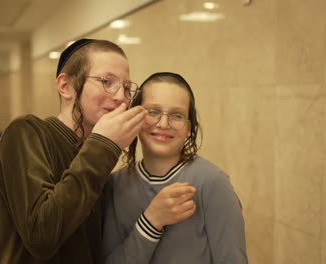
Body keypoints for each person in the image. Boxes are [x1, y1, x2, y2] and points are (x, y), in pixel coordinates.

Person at [0, 39, 148, 263]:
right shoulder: (26, 133)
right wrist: (103, 145)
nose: (121, 97)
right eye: (106, 81)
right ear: (65, 86)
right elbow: (41, 235)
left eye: (125, 87)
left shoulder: (93, 151)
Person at [103, 72, 248, 263]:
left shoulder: (213, 182)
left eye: (177, 116)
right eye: (153, 112)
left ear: (189, 128)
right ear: (136, 116)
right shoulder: (115, 184)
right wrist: (150, 222)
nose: (163, 124)